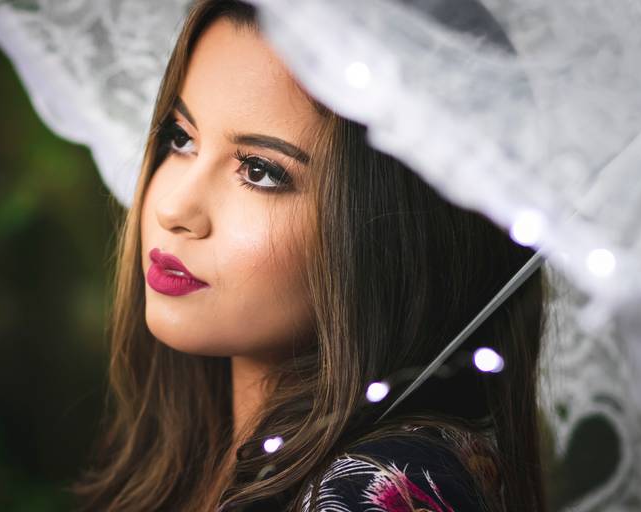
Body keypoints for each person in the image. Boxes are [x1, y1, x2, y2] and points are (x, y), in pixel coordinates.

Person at [71, 1, 547, 510]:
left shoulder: (376, 488)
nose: (174, 208)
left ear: (395, 231)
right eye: (181, 138)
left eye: (259, 171)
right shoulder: (187, 460)